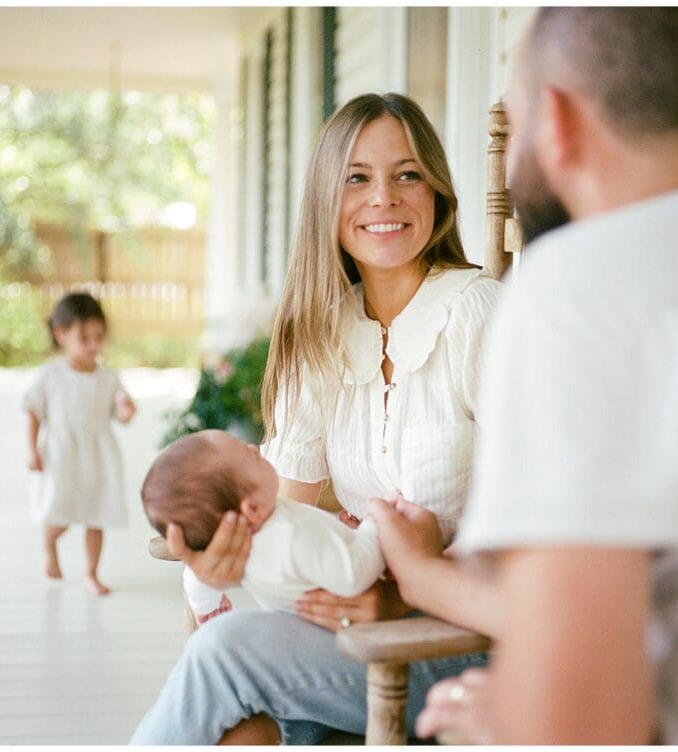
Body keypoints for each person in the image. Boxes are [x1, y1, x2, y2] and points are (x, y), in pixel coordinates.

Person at [368, 8, 678, 745]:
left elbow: (577, 728)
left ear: (554, 121)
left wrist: (508, 721)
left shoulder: (582, 283)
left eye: (514, 119)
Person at [130, 93, 501, 744]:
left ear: (437, 194)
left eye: (407, 174)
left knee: (226, 658)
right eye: (357, 178)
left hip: (474, 643)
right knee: (230, 698)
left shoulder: (477, 315)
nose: (383, 197)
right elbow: (275, 513)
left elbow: (535, 530)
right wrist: (220, 571)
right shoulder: (319, 336)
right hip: (359, 643)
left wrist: (411, 593)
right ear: (326, 201)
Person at [142, 429, 385, 618]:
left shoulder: (241, 547)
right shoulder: (292, 535)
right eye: (249, 456)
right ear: (253, 509)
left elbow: (198, 577)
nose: (253, 447)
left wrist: (206, 606)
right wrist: (375, 527)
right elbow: (355, 574)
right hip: (345, 631)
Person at [23, 291, 137, 597]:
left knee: (96, 513)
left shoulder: (108, 377)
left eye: (98, 336)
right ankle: (49, 543)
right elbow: (33, 411)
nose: (93, 345)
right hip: (62, 454)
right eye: (84, 338)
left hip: (98, 454)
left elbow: (120, 411)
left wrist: (126, 411)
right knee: (60, 509)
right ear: (61, 335)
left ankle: (91, 572)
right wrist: (31, 449)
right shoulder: (50, 375)